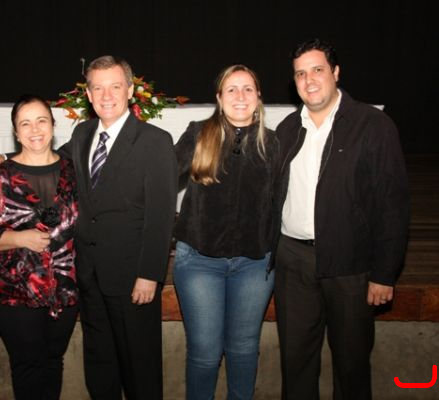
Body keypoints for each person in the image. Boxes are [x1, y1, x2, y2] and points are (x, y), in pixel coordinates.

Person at [0, 56, 177, 399]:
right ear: (88, 94)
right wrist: (2, 161)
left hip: (132, 277)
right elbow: (44, 157)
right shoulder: (83, 133)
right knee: (100, 365)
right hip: (88, 275)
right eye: (98, 88)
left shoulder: (155, 141)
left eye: (115, 86)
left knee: (140, 367)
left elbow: (161, 216)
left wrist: (149, 275)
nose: (106, 95)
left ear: (130, 90)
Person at [272, 39, 410, 399]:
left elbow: (392, 205)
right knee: (296, 363)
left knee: (352, 365)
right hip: (293, 262)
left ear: (335, 72)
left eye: (317, 70)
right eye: (300, 73)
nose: (309, 80)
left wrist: (384, 273)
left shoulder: (373, 125)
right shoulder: (287, 129)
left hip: (351, 264)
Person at [173, 65, 278, 400]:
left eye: (248, 88)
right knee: (205, 354)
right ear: (219, 97)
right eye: (231, 89)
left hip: (254, 265)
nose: (240, 96)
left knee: (244, 350)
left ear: (258, 96)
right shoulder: (198, 133)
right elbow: (160, 179)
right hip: (199, 263)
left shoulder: (273, 143)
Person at [0, 95, 78, 400]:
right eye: (25, 123)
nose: (35, 129)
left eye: (41, 121)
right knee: (28, 364)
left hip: (65, 287)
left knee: (53, 360)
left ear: (53, 125)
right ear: (16, 132)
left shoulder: (73, 170)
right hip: (13, 288)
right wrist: (20, 238)